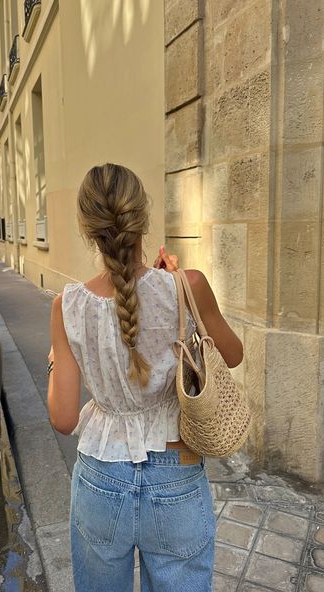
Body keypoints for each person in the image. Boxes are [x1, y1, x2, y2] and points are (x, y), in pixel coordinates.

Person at [47, 163, 243, 592]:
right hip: (177, 469)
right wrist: (182, 294)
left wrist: (57, 356)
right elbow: (233, 354)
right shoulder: (185, 285)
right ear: (142, 219)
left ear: (88, 229)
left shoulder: (67, 306)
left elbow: (63, 419)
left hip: (101, 477)